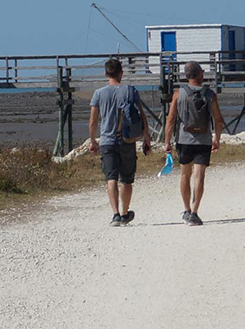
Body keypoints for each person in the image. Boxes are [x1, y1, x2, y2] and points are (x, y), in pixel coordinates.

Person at [89, 58, 152, 227]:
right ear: (121, 73)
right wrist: (146, 137)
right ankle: (125, 213)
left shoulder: (98, 93)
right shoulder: (131, 91)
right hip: (127, 139)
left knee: (111, 178)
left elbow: (93, 121)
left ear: (106, 73)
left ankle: (115, 214)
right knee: (127, 179)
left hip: (107, 140)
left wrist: (93, 141)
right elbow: (141, 116)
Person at [163, 62, 225, 226]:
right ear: (199, 74)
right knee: (199, 176)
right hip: (203, 139)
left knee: (185, 174)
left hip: (184, 139)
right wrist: (217, 138)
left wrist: (167, 142)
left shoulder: (178, 94)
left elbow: (170, 120)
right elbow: (218, 120)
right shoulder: (210, 94)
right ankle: (195, 211)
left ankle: (186, 210)